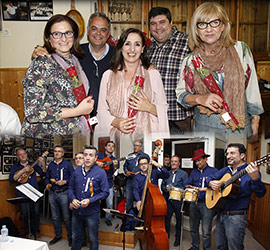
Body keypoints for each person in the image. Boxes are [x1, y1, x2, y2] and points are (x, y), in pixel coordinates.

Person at [176, 2, 264, 138]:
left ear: (223, 26)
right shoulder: (192, 60)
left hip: (239, 126)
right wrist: (200, 98)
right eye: (202, 24)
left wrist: (256, 119)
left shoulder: (241, 50)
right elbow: (181, 95)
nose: (208, 29)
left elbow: (252, 89)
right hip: (205, 128)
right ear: (196, 29)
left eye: (214, 23)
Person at [22, 14, 94, 138]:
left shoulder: (74, 60)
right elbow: (32, 113)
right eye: (57, 34)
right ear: (49, 38)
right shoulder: (41, 64)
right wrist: (77, 111)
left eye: (68, 33)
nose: (64, 39)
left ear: (74, 35)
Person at [32, 12, 114, 117]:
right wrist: (38, 51)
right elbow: (55, 51)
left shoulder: (119, 55)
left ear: (108, 33)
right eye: (94, 28)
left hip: (109, 118)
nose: (98, 33)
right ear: (88, 30)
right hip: (78, 118)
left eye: (103, 30)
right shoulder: (76, 53)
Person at [95, 27, 169, 139]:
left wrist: (149, 107)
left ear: (143, 49)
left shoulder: (152, 74)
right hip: (115, 138)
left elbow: (163, 109)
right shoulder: (108, 76)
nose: (132, 49)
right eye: (128, 44)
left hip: (146, 138)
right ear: (121, 47)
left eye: (137, 44)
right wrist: (116, 122)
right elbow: (101, 110)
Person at [208, 143, 266, 250]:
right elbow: (210, 178)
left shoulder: (250, 171)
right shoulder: (226, 170)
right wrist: (211, 182)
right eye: (227, 153)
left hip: (236, 217)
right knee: (220, 246)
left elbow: (261, 193)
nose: (228, 156)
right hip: (221, 213)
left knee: (234, 247)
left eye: (232, 153)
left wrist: (256, 179)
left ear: (242, 155)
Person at [147, 7, 192, 134]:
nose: (158, 27)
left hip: (178, 116)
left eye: (162, 22)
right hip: (154, 115)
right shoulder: (149, 47)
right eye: (153, 24)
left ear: (171, 23)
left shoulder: (188, 42)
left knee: (180, 152)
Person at [69, 145, 109, 250]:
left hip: (92, 212)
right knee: (76, 237)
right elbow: (70, 188)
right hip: (77, 212)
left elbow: (105, 192)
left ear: (96, 158)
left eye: (90, 155)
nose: (87, 158)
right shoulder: (77, 171)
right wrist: (72, 199)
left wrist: (90, 200)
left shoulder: (101, 173)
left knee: (93, 239)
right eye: (85, 155)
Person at [9, 148, 46, 239]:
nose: (23, 156)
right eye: (20, 154)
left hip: (34, 193)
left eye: (24, 153)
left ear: (26, 154)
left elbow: (43, 173)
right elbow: (12, 179)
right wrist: (23, 170)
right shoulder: (15, 166)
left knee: (36, 213)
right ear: (18, 157)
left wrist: (43, 164)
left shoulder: (32, 164)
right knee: (25, 214)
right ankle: (27, 232)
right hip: (22, 194)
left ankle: (36, 231)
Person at [186, 149, 218, 250]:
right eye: (196, 161)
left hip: (207, 204)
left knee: (206, 231)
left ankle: (206, 248)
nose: (197, 163)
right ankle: (195, 247)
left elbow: (218, 187)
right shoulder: (194, 172)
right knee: (193, 228)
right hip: (194, 203)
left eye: (199, 160)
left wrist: (205, 189)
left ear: (205, 159)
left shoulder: (214, 171)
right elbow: (188, 183)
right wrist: (189, 187)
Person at [45, 145, 74, 246]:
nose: (57, 153)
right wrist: (47, 184)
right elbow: (47, 177)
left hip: (64, 193)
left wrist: (65, 181)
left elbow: (73, 177)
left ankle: (70, 237)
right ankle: (58, 235)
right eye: (55, 151)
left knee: (66, 217)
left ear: (63, 153)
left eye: (59, 151)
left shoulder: (68, 164)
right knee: (55, 217)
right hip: (53, 193)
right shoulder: (51, 165)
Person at [161, 155, 188, 247]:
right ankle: (166, 235)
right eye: (172, 161)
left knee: (179, 220)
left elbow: (186, 187)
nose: (173, 163)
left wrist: (176, 189)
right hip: (168, 200)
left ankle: (177, 238)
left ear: (179, 163)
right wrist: (165, 189)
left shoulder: (183, 174)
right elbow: (162, 186)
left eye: (175, 161)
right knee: (167, 219)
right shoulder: (166, 173)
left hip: (178, 201)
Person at [123, 140, 150, 213]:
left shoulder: (145, 156)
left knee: (141, 199)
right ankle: (128, 217)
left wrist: (141, 172)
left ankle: (141, 216)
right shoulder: (130, 156)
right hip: (130, 180)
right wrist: (126, 171)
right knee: (129, 199)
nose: (135, 147)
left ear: (141, 147)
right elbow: (125, 166)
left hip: (141, 180)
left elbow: (149, 167)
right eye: (134, 145)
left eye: (137, 146)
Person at [96, 140, 118, 226]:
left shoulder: (114, 159)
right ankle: (96, 219)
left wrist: (115, 166)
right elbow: (92, 161)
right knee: (97, 203)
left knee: (110, 203)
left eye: (112, 146)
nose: (110, 147)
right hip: (97, 183)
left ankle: (108, 218)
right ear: (105, 147)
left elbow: (115, 173)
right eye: (109, 145)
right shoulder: (100, 155)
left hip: (108, 183)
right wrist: (98, 162)